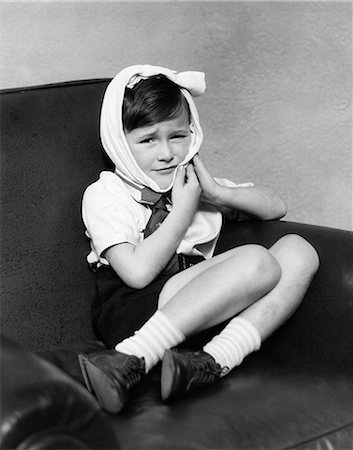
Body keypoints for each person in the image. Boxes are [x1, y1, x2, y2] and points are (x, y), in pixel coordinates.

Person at [79, 64, 319, 413]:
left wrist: (219, 194)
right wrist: (182, 212)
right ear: (119, 142)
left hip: (203, 312)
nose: (166, 153)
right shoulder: (106, 193)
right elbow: (136, 273)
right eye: (147, 140)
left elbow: (276, 207)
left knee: (300, 250)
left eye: (177, 136)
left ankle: (209, 362)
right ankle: (130, 356)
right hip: (136, 310)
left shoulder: (194, 186)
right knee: (257, 260)